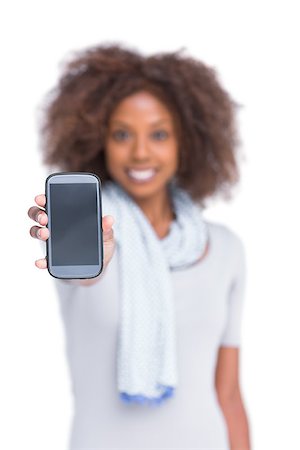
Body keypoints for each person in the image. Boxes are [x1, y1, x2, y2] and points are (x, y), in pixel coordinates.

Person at [28, 44, 251, 450]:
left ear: (188, 142)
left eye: (159, 134)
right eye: (122, 134)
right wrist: (99, 256)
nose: (141, 152)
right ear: (100, 142)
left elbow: (229, 394)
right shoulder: (86, 235)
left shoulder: (226, 249)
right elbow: (85, 278)